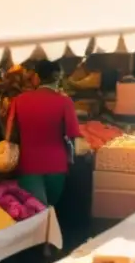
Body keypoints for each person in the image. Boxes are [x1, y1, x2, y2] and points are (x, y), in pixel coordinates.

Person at [10, 60, 82, 207]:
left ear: (37, 77)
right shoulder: (65, 102)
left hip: (28, 163)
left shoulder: (19, 100)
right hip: (56, 164)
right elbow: (72, 134)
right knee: (49, 207)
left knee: (34, 210)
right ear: (58, 76)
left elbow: (10, 134)